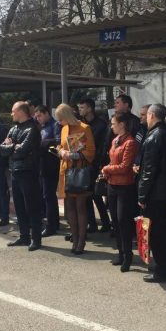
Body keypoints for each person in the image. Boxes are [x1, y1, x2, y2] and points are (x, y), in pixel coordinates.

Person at [137, 104, 166, 283]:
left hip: (155, 193)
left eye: (147, 115)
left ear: (152, 115)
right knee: (163, 231)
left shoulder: (154, 136)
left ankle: (162, 271)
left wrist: (142, 195)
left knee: (156, 234)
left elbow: (149, 169)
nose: (145, 118)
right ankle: (164, 267)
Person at [0, 101, 43, 251]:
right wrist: (14, 147)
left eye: (13, 111)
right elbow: (2, 149)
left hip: (28, 172)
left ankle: (36, 239)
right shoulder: (13, 129)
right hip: (15, 171)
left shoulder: (32, 129)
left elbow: (23, 150)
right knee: (19, 206)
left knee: (32, 206)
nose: (11, 113)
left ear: (20, 112)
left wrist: (11, 146)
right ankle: (24, 236)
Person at [56, 103, 96, 255]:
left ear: (67, 116)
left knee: (80, 207)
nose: (59, 122)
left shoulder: (84, 128)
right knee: (69, 207)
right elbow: (60, 146)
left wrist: (71, 155)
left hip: (79, 171)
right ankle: (75, 238)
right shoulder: (64, 129)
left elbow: (91, 152)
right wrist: (61, 151)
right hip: (66, 171)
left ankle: (81, 241)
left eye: (61, 119)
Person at [101, 113, 139, 272]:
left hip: (125, 186)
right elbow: (113, 161)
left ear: (122, 124)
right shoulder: (115, 140)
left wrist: (107, 169)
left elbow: (125, 167)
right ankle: (121, 252)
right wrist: (108, 171)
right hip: (112, 184)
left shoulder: (130, 142)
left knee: (124, 220)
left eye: (114, 124)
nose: (111, 126)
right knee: (115, 221)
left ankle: (128, 254)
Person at [77, 97, 111, 233]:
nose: (80, 110)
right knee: (86, 195)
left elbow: (102, 146)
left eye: (82, 107)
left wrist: (100, 163)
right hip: (84, 163)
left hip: (95, 163)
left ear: (90, 108)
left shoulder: (100, 125)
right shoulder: (81, 124)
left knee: (96, 194)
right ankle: (91, 223)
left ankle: (105, 222)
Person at [35, 105, 61, 236]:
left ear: (46, 113)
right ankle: (53, 222)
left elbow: (58, 141)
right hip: (43, 164)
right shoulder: (42, 127)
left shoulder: (54, 125)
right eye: (36, 116)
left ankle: (52, 225)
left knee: (49, 195)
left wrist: (42, 144)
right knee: (47, 195)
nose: (38, 118)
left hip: (51, 165)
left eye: (39, 115)